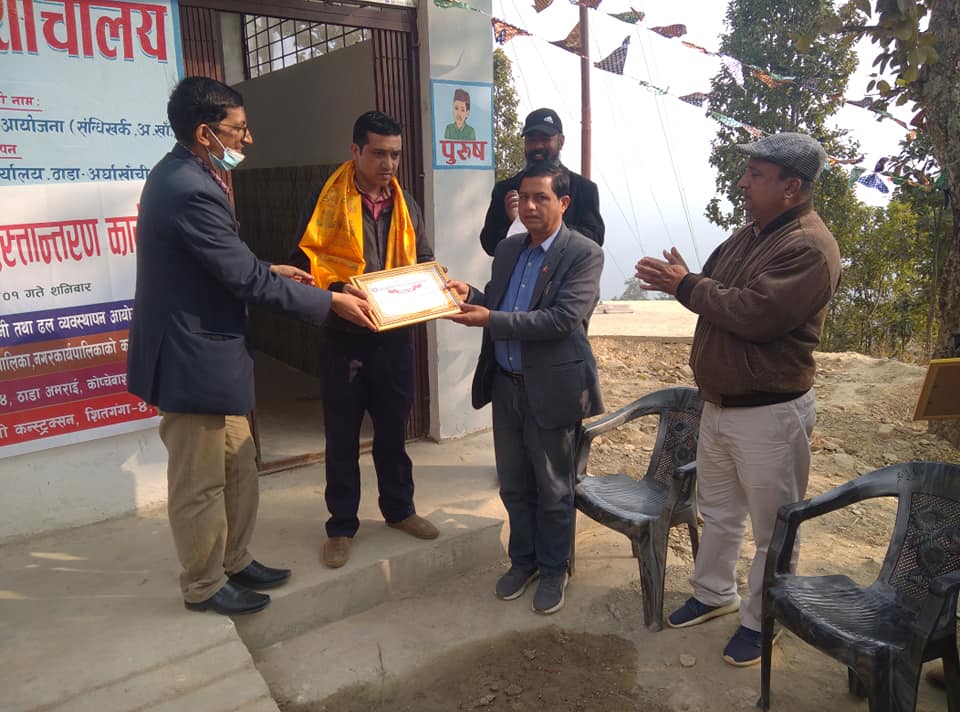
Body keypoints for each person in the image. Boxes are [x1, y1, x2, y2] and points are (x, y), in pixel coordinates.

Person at [127, 77, 375, 617]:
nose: (248, 138)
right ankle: (203, 584)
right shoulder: (187, 186)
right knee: (199, 483)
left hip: (213, 356)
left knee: (239, 465)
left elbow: (226, 263)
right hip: (190, 359)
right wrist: (330, 301)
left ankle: (234, 560)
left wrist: (268, 268)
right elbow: (243, 280)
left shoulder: (195, 175)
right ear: (205, 133)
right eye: (238, 129)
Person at [634, 132, 842, 666]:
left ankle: (765, 617)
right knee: (720, 511)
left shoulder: (808, 247)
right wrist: (686, 280)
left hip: (770, 413)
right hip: (721, 404)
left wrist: (687, 285)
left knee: (774, 526)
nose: (742, 182)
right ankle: (713, 594)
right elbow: (717, 291)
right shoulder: (751, 234)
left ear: (791, 187)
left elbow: (753, 314)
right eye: (746, 172)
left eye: (756, 174)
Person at [446, 161, 604, 614]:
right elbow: (500, 303)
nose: (529, 206)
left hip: (552, 388)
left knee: (554, 488)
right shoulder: (509, 249)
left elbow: (561, 319)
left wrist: (490, 319)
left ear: (564, 203)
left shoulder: (583, 254)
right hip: (507, 386)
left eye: (541, 198)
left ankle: (555, 568)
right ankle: (524, 561)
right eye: (523, 198)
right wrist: (471, 295)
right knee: (514, 485)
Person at [290, 111, 437, 569]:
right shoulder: (325, 199)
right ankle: (341, 526)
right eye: (378, 153)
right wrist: (338, 293)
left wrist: (433, 284)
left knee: (393, 432)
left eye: (395, 154)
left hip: (394, 339)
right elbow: (303, 264)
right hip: (343, 339)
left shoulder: (405, 204)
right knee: (342, 436)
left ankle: (400, 510)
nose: (389, 164)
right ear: (355, 151)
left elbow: (424, 258)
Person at [479, 108, 604, 256]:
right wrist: (514, 226)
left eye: (545, 139)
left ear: (561, 141)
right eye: (531, 140)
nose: (538, 146)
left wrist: (524, 223)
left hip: (565, 271)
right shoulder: (506, 189)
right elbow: (489, 243)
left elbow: (594, 238)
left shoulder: (583, 188)